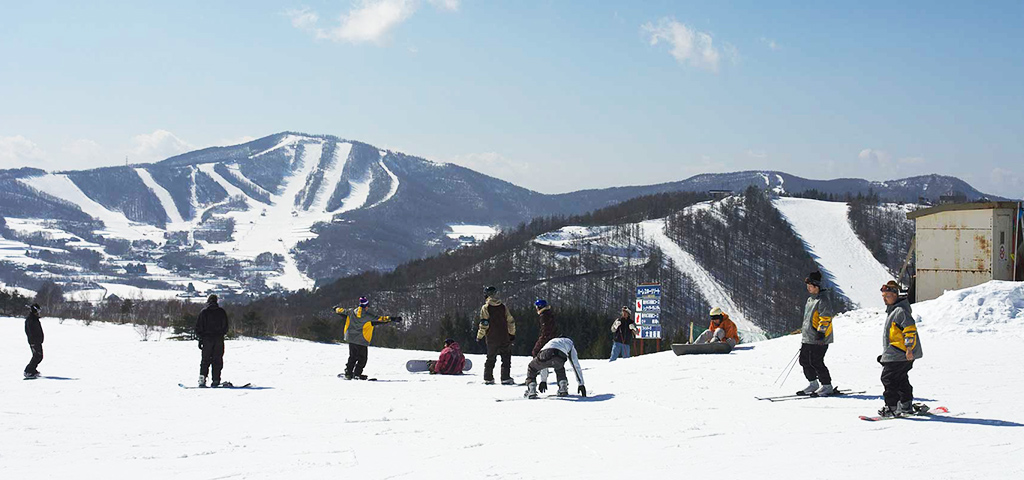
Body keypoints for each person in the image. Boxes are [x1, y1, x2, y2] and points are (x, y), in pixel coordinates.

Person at [877, 280, 924, 417]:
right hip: (897, 353)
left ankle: (892, 407)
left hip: (901, 354)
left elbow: (909, 331)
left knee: (889, 379)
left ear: (895, 294)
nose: (885, 299)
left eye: (887, 296)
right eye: (883, 296)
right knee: (901, 378)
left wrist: (909, 349)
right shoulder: (894, 310)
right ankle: (905, 404)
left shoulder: (900, 311)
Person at [336, 296, 401, 380]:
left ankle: (348, 373)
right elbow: (381, 319)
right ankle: (357, 374)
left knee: (352, 356)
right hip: (361, 340)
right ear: (366, 306)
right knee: (362, 359)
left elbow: (340, 311)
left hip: (351, 338)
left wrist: (335, 308)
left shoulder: (351, 312)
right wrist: (392, 319)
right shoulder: (368, 316)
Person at [798, 271, 836, 396]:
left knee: (816, 361)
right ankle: (813, 383)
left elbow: (825, 317)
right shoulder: (810, 299)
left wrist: (821, 332)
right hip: (808, 337)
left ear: (817, 286)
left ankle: (827, 385)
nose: (808, 288)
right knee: (804, 361)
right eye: (807, 286)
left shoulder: (823, 299)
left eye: (811, 286)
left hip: (820, 337)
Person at [477, 286, 516, 385]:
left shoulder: (485, 307)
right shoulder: (503, 306)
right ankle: (505, 377)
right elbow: (510, 321)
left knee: (490, 358)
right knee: (506, 358)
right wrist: (511, 334)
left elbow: (484, 324)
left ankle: (488, 378)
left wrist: (479, 336)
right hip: (504, 336)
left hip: (492, 337)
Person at [195, 294, 230, 387]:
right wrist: (221, 334)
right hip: (218, 339)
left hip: (207, 339)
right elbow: (226, 326)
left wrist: (200, 338)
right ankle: (216, 380)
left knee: (205, 360)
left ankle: (202, 379)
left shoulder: (204, 312)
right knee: (217, 360)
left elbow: (198, 327)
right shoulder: (221, 312)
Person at [24, 304, 44, 378]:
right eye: (38, 310)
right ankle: (28, 371)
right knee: (37, 356)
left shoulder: (35, 318)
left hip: (37, 341)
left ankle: (32, 370)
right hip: (34, 341)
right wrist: (33, 340)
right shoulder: (31, 319)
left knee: (39, 356)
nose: (39, 312)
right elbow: (29, 331)